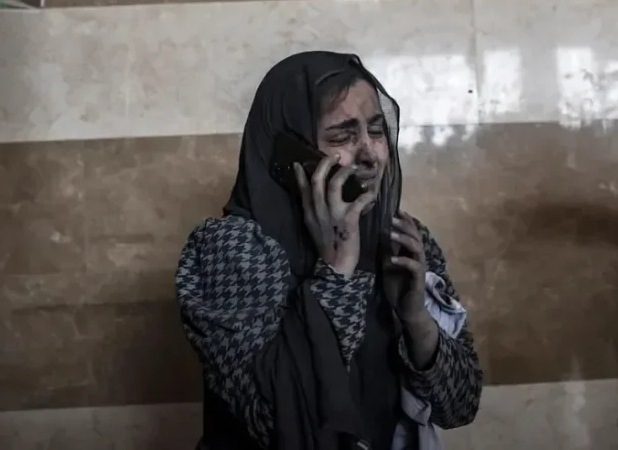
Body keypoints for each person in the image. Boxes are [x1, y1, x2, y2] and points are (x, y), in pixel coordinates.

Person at [176, 51, 483, 450]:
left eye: (376, 131)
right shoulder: (230, 248)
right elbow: (277, 420)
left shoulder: (403, 239)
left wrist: (416, 319)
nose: (370, 153)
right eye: (342, 136)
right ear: (290, 155)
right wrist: (337, 270)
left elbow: (460, 407)